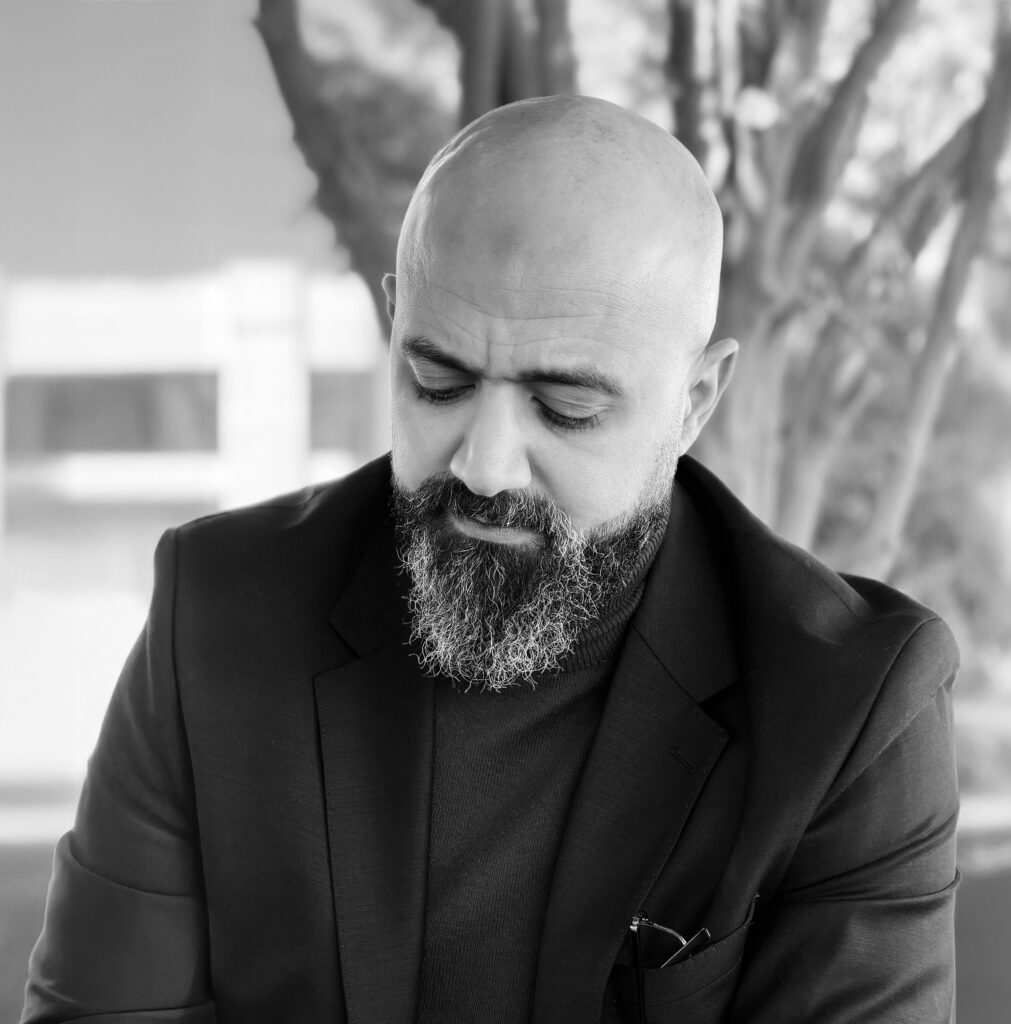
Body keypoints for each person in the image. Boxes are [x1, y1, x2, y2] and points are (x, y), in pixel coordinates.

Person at [23, 96, 959, 1024]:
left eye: (565, 408)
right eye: (438, 382)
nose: (483, 465)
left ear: (695, 400)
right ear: (394, 324)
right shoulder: (218, 612)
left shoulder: (850, 705)